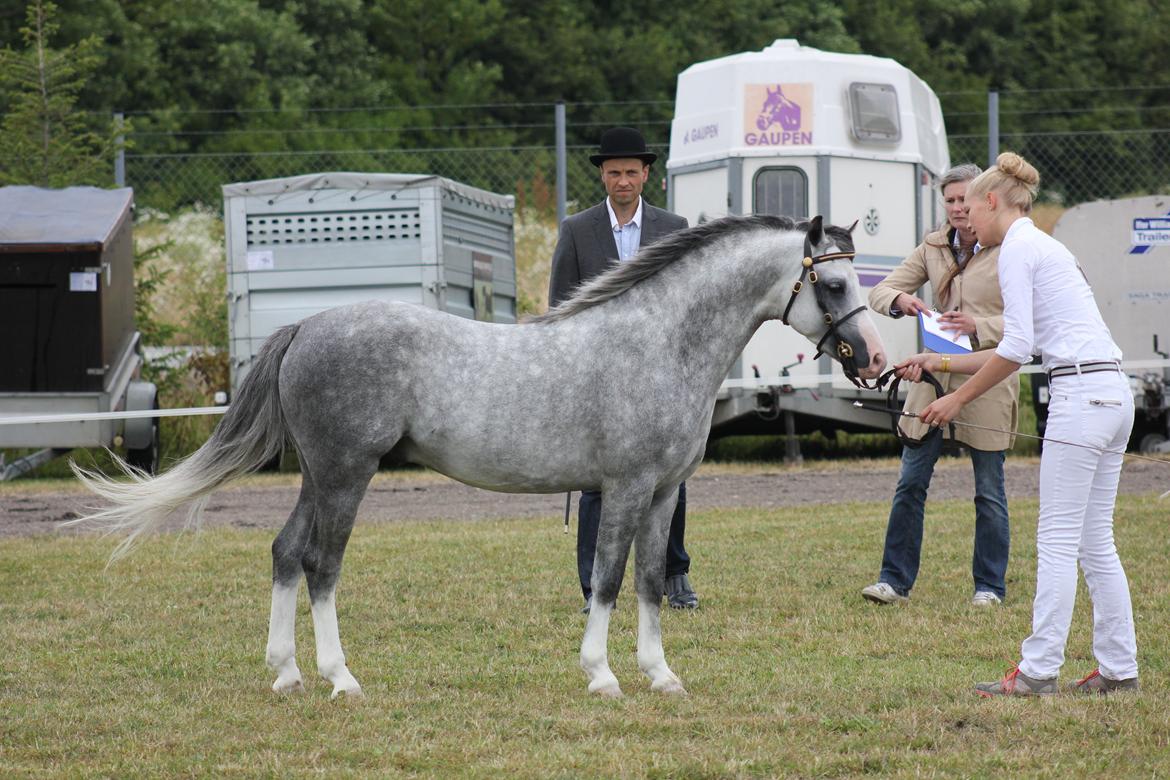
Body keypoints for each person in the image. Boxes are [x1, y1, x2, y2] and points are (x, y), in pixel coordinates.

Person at [899, 152, 1138, 696]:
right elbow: (1020, 348)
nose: (964, 224)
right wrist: (937, 364)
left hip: (1079, 398)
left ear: (991, 202)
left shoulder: (1014, 249)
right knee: (1095, 541)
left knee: (1057, 542)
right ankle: (1119, 670)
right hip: (1111, 392)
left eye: (969, 211)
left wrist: (956, 399)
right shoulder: (1047, 245)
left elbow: (1017, 347)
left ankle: (1038, 671)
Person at [547, 126, 698, 613]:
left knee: (668, 478)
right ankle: (593, 588)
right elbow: (560, 305)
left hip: (659, 376)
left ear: (646, 174)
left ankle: (675, 575)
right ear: (603, 177)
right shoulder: (577, 230)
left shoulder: (674, 228)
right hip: (597, 374)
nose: (624, 181)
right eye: (614, 173)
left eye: (632, 172)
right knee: (595, 480)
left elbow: (688, 303)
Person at [861, 164, 1019, 608]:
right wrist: (900, 300)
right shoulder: (932, 247)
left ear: (984, 200)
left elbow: (1028, 322)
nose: (956, 208)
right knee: (910, 483)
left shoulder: (1010, 248)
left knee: (989, 490)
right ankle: (893, 582)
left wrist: (980, 324)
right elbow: (880, 290)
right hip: (931, 380)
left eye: (964, 199)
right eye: (949, 200)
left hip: (989, 379)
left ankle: (989, 588)